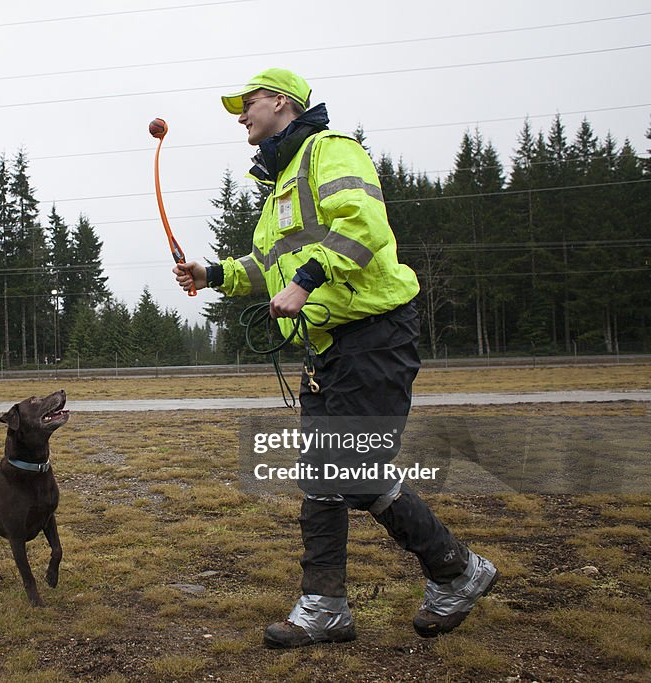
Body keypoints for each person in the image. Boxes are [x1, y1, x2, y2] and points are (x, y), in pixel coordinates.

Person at [173, 68, 498, 649]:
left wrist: (307, 279)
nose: (240, 116)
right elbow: (264, 268)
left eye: (247, 104)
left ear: (281, 101)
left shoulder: (330, 150)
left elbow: (363, 225)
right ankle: (375, 592)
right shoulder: (277, 188)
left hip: (374, 336)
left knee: (343, 471)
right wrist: (213, 273)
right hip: (331, 349)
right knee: (332, 473)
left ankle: (433, 577)